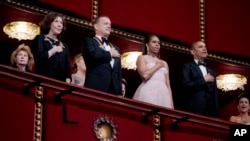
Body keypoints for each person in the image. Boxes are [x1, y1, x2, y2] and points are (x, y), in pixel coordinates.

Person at [82, 16, 122, 95]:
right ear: (96, 26)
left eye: (110, 24)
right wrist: (110, 53)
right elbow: (93, 56)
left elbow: (118, 73)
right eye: (105, 23)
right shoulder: (89, 42)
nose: (109, 26)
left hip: (113, 91)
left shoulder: (116, 48)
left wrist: (119, 93)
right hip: (96, 87)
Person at [132, 34, 174, 108]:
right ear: (147, 45)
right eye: (154, 42)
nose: (157, 44)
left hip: (163, 93)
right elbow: (145, 76)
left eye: (158, 43)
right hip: (148, 91)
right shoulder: (142, 58)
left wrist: (171, 104)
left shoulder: (164, 63)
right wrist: (157, 66)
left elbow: (168, 85)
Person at [182, 41, 219, 117]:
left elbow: (215, 94)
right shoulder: (187, 67)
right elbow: (186, 86)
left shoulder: (212, 72)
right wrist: (203, 80)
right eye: (200, 47)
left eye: (205, 47)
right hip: (195, 109)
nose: (204, 48)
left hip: (210, 112)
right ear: (193, 52)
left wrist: (217, 114)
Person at [32, 12, 71, 83]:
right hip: (42, 81)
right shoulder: (40, 39)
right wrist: (54, 50)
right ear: (49, 23)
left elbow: (67, 69)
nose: (59, 25)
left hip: (59, 84)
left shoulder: (64, 46)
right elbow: (39, 59)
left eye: (61, 23)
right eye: (56, 21)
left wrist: (67, 82)